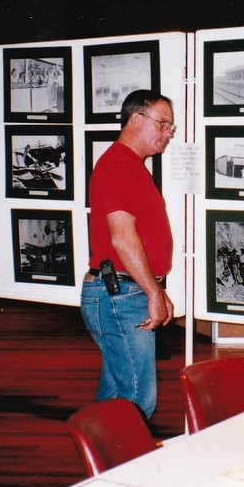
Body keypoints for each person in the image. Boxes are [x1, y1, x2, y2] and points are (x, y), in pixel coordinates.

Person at [80, 89, 176, 418]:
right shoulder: (119, 165)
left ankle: (100, 459)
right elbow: (122, 238)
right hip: (122, 295)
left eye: (170, 128)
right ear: (136, 120)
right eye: (163, 124)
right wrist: (153, 291)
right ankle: (122, 463)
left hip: (121, 291)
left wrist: (156, 290)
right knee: (135, 398)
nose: (168, 135)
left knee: (115, 391)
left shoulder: (127, 165)